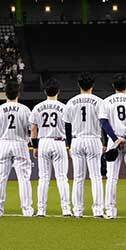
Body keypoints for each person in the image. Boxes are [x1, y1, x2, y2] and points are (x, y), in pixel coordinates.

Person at [0, 80, 33, 217]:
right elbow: (31, 131)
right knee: (24, 178)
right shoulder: (25, 109)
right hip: (20, 143)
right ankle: (27, 210)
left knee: (0, 177)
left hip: (4, 143)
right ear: (18, 93)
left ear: (5, 94)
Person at [97, 74, 126, 219]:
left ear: (114, 86)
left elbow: (104, 123)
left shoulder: (106, 101)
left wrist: (116, 140)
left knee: (111, 178)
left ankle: (110, 211)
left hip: (113, 141)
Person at [64, 73, 104, 218]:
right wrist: (104, 143)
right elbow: (103, 123)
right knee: (96, 177)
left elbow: (67, 126)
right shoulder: (99, 102)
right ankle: (98, 211)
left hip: (77, 140)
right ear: (92, 86)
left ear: (79, 85)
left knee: (78, 177)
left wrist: (69, 145)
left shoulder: (71, 102)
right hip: (93, 139)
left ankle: (78, 210)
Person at [30, 79, 70, 217]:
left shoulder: (37, 107)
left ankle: (41, 210)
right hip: (59, 142)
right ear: (58, 91)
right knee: (62, 177)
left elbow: (33, 129)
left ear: (45, 91)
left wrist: (35, 147)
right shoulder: (64, 107)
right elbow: (68, 128)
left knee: (43, 178)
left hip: (44, 142)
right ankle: (66, 209)